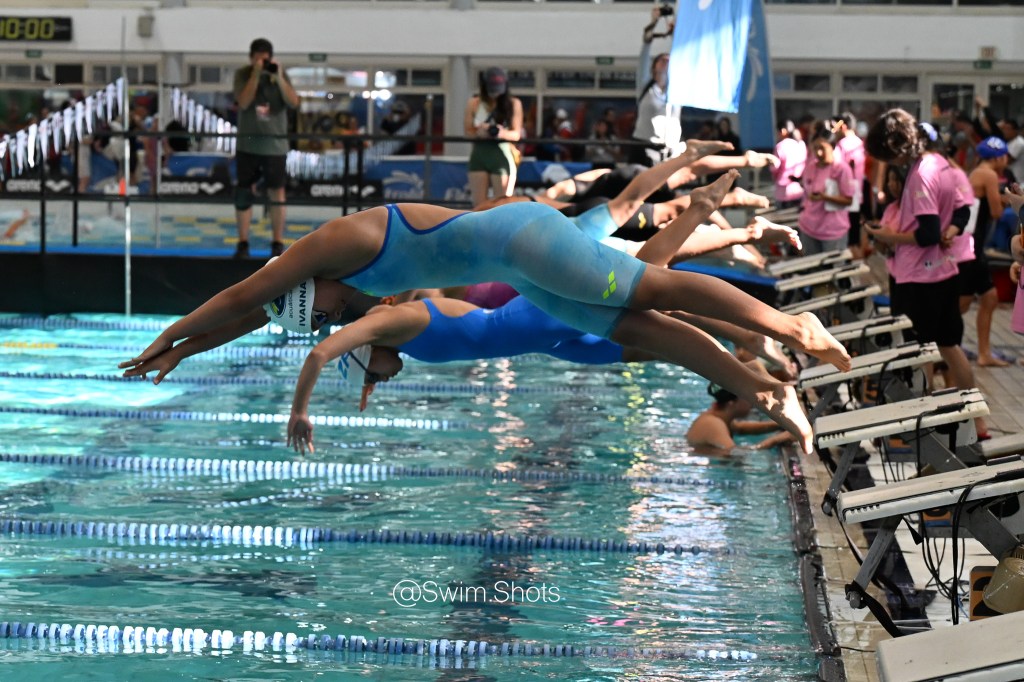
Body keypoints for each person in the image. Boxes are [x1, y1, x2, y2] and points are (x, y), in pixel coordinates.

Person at [119, 195, 851, 455]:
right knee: (639, 329)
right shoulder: (337, 286)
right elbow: (253, 314)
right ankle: (762, 388)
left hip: (523, 240)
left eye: (330, 314)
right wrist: (184, 354)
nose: (341, 317)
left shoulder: (332, 245)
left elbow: (243, 293)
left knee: (651, 285)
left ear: (313, 288)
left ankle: (790, 326)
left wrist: (167, 335)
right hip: (524, 273)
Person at [863, 109, 988, 438]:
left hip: (919, 276)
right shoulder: (942, 164)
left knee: (919, 351)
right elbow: (962, 209)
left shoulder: (920, 174)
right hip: (945, 271)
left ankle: (922, 427)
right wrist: (952, 230)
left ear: (895, 147)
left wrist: (889, 236)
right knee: (949, 346)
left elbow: (928, 233)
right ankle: (978, 420)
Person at [232, 37, 300, 259]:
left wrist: (278, 77)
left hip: (275, 146)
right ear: (251, 58)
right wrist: (255, 74)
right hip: (248, 144)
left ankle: (277, 243)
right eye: (258, 59)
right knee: (244, 191)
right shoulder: (243, 74)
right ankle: (243, 243)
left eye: (265, 59)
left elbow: (293, 102)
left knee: (277, 192)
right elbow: (243, 102)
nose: (262, 62)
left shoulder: (279, 74)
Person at [962, 137, 1011, 367]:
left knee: (989, 298)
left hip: (972, 245)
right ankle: (942, 343)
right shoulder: (989, 175)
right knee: (962, 303)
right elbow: (996, 212)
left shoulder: (976, 172)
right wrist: (1010, 202)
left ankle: (983, 353)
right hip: (972, 248)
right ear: (999, 157)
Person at [464, 67, 524, 206]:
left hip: (502, 154)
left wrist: (501, 133)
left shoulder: (513, 104)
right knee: (479, 206)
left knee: (503, 204)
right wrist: (479, 132)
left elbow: (516, 134)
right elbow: (467, 131)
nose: (495, 94)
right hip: (479, 153)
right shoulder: (474, 103)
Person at [686, 380, 794, 454]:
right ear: (731, 403)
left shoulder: (719, 416)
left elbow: (741, 428)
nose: (752, 402)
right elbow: (735, 453)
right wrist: (775, 440)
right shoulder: (713, 424)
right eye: (747, 398)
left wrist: (781, 424)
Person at [797, 120, 856, 254]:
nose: (818, 153)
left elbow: (849, 200)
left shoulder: (842, 169)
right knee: (810, 263)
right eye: (815, 148)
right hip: (809, 227)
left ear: (832, 146)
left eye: (822, 148)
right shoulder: (811, 167)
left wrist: (825, 197)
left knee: (833, 265)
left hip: (832, 231)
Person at [630, 6, 674, 166]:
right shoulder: (646, 85)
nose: (666, 62)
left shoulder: (675, 89)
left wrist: (675, 33)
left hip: (666, 147)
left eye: (669, 61)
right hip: (642, 145)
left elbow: (683, 57)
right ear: (654, 67)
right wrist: (653, 22)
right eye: (662, 60)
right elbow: (645, 49)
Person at [834, 113, 867, 257]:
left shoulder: (842, 144)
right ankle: (856, 255)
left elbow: (836, 166)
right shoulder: (860, 143)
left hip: (844, 192)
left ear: (843, 126)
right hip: (857, 190)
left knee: (844, 225)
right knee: (855, 225)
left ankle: (847, 254)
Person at [771, 120, 806, 210]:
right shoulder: (801, 144)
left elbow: (774, 167)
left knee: (782, 217)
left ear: (783, 131)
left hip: (784, 190)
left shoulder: (780, 146)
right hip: (800, 188)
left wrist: (775, 176)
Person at [999, 118, 1024, 183]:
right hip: (1009, 179)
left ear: (1015, 130)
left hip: (1018, 180)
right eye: (1004, 129)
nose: (1005, 132)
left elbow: (1007, 161)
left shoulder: (1019, 143)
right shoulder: (1009, 142)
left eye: (1008, 129)